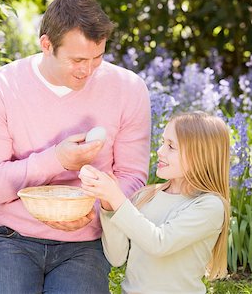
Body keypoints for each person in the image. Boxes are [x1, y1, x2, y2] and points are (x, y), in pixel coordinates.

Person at [0, 0, 151, 292]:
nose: (88, 70)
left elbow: (133, 177)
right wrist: (58, 160)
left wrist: (94, 208)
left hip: (86, 242)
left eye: (98, 58)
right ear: (46, 45)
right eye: (77, 60)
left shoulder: (128, 89)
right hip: (13, 236)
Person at [79, 111, 230, 294]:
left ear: (201, 155)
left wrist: (117, 198)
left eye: (171, 146)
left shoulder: (209, 206)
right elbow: (117, 257)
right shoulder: (148, 195)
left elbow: (159, 243)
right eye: (162, 143)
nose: (160, 151)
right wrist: (108, 205)